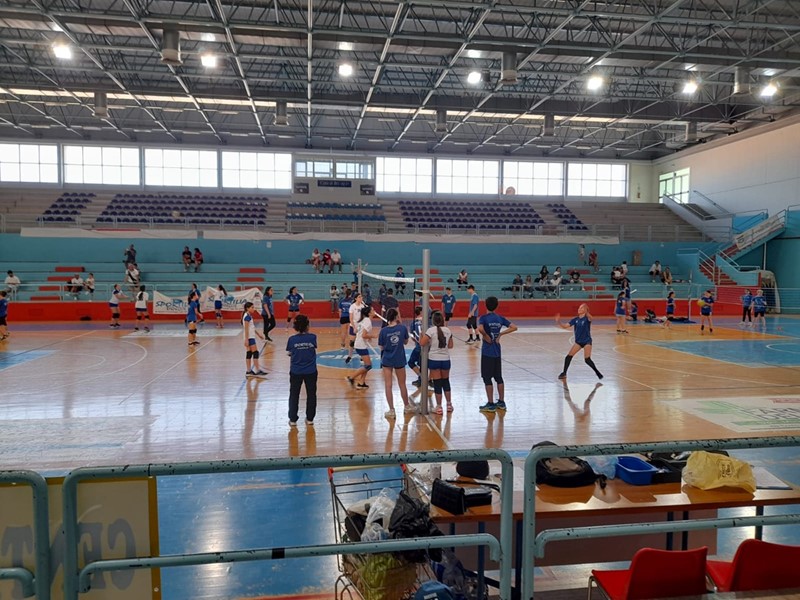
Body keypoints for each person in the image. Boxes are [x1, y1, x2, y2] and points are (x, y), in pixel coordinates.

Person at [477, 296, 518, 413]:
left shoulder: (483, 318)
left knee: (487, 378)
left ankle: (490, 404)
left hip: (487, 352)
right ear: (496, 306)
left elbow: (480, 329)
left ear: (485, 305)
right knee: (498, 377)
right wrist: (500, 334)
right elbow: (514, 327)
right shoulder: (500, 318)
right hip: (497, 352)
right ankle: (501, 402)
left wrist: (486, 336)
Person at [378, 307, 414, 419]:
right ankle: (407, 406)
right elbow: (406, 341)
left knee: (388, 385)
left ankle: (391, 410)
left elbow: (381, 346)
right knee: (402, 384)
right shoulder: (402, 328)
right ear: (396, 316)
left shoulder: (383, 331)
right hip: (399, 359)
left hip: (387, 360)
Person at [555, 304, 603, 380]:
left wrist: (587, 311)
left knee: (587, 359)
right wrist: (558, 322)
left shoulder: (587, 319)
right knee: (568, 357)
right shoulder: (575, 319)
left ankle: (597, 372)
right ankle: (564, 373)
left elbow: (591, 318)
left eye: (581, 308)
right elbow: (565, 326)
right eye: (579, 308)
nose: (579, 309)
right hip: (578, 342)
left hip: (587, 341)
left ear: (585, 310)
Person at [420, 311, 454, 415]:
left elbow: (422, 343)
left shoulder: (430, 331)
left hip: (434, 359)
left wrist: (421, 335)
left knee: (437, 383)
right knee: (446, 382)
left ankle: (439, 407)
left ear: (433, 321)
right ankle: (449, 405)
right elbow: (450, 346)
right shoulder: (448, 330)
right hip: (445, 359)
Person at [286, 314, 317, 427]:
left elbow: (290, 352)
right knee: (311, 394)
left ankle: (293, 419)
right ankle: (310, 418)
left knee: (294, 395)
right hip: (311, 371)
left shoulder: (292, 339)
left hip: (296, 371)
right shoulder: (313, 337)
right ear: (307, 326)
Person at [347, 305, 374, 389]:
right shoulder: (367, 321)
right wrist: (373, 336)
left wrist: (368, 337)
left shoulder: (364, 320)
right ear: (369, 313)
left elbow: (357, 331)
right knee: (368, 366)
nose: (374, 311)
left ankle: (361, 383)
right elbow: (363, 335)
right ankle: (351, 378)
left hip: (359, 344)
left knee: (367, 365)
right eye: (373, 310)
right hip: (360, 345)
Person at [241, 301, 267, 377]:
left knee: (249, 353)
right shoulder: (247, 317)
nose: (253, 309)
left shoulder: (248, 316)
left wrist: (259, 335)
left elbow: (252, 328)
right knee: (255, 353)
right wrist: (246, 339)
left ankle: (249, 371)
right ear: (247, 308)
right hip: (249, 337)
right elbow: (246, 329)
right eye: (252, 307)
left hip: (250, 336)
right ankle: (257, 370)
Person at [346, 292, 365, 363]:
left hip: (361, 327)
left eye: (361, 297)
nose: (361, 298)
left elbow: (364, 317)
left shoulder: (363, 306)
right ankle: (350, 356)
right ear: (356, 298)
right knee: (352, 342)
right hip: (353, 326)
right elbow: (351, 318)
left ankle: (361, 357)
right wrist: (354, 327)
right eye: (359, 297)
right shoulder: (352, 306)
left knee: (361, 342)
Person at [407, 306, 423, 387]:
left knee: (411, 362)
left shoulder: (413, 323)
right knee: (423, 364)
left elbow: (412, 337)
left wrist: (417, 340)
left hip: (418, 347)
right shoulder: (426, 322)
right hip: (425, 347)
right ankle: (423, 378)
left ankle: (421, 378)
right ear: (421, 312)